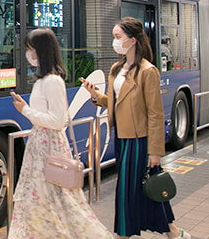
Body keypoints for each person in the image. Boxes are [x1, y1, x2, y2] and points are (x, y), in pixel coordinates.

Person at [82, 17, 191, 239]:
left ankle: (123, 234)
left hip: (140, 141)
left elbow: (155, 114)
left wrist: (155, 151)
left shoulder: (147, 71)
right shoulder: (116, 69)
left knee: (129, 191)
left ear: (132, 40)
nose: (115, 41)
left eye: (118, 37)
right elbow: (115, 102)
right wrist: (96, 96)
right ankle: (174, 233)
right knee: (140, 191)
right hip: (121, 138)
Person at [9, 28, 112, 238]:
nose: (28, 54)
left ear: (42, 51)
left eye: (31, 50)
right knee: (42, 200)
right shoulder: (41, 80)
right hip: (39, 146)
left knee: (58, 200)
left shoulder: (53, 81)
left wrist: (25, 110)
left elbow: (57, 121)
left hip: (49, 146)